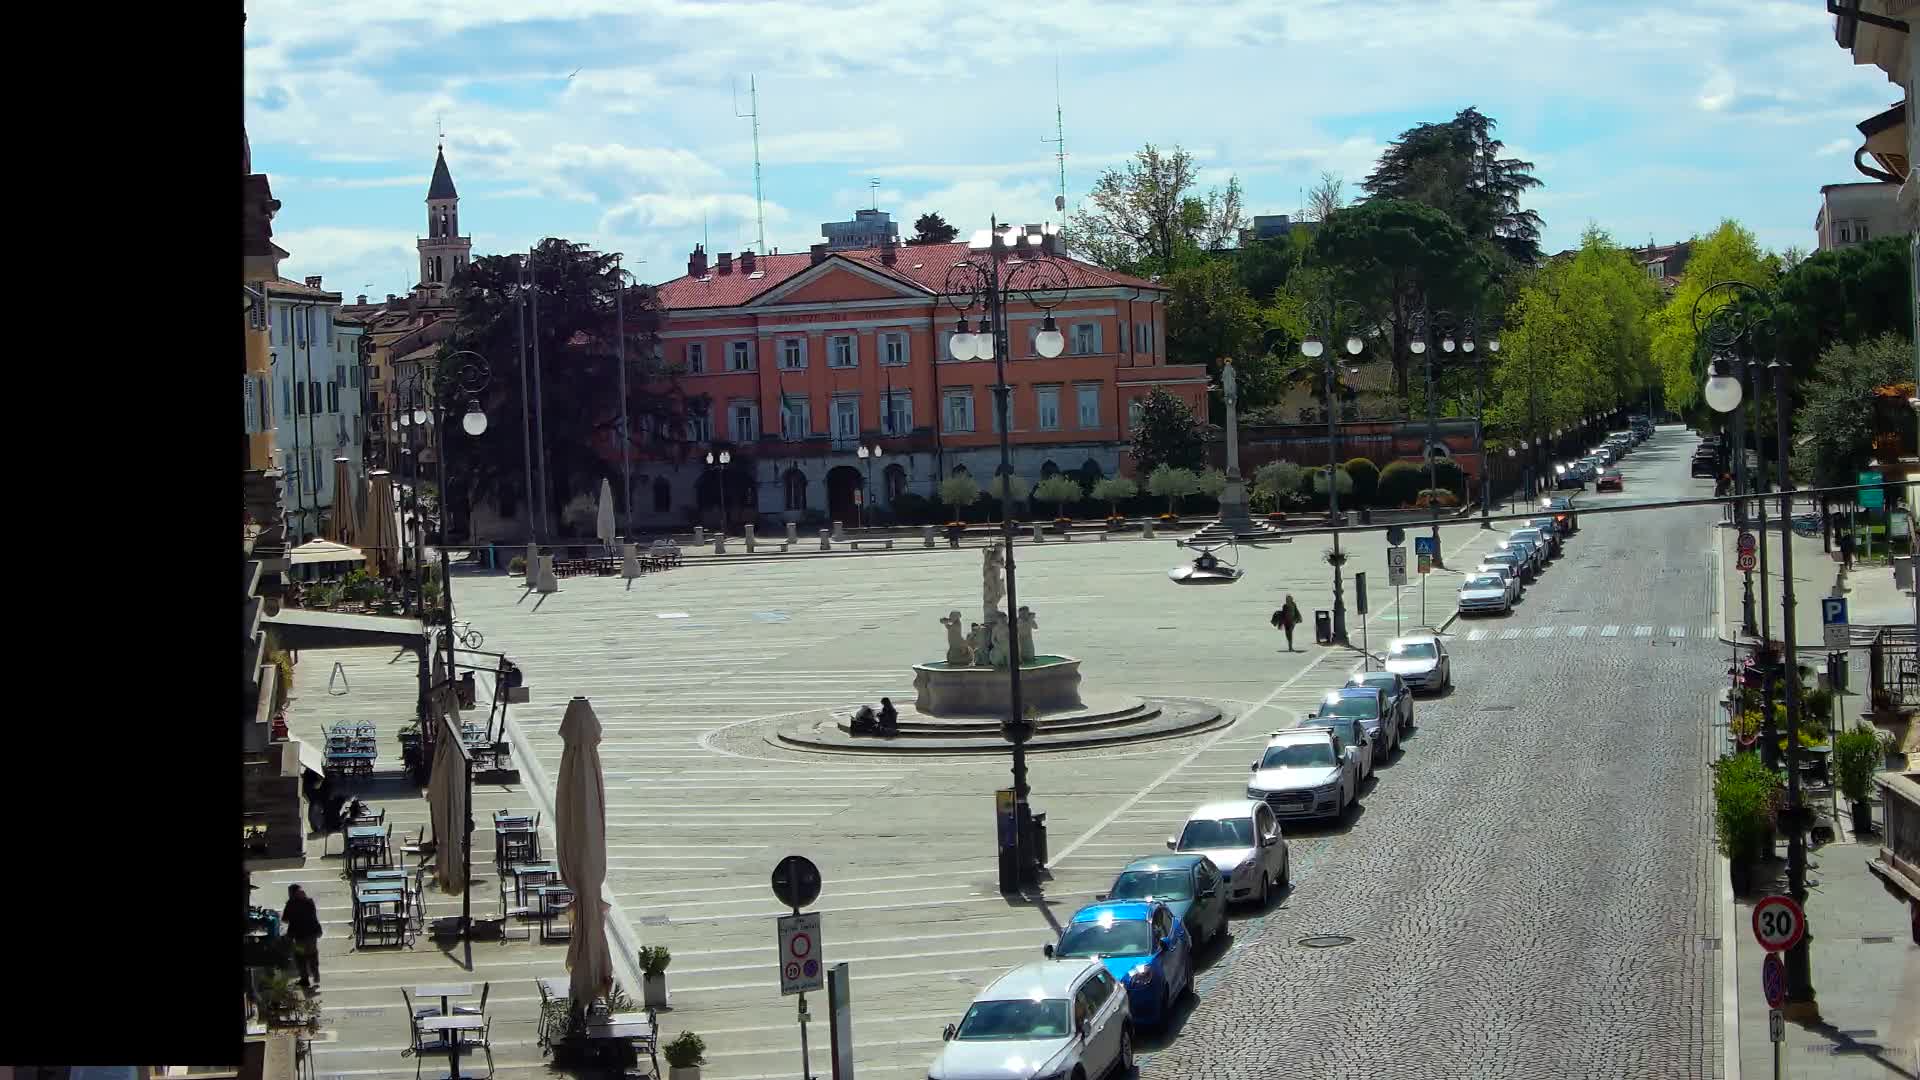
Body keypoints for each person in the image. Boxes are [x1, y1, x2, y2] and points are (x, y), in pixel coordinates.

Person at [282, 884, 324, 990]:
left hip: (299, 937)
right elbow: (313, 915)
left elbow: (285, 919)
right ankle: (315, 974)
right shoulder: (309, 902)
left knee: (300, 957)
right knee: (312, 954)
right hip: (312, 934)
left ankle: (305, 979)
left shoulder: (291, 904)